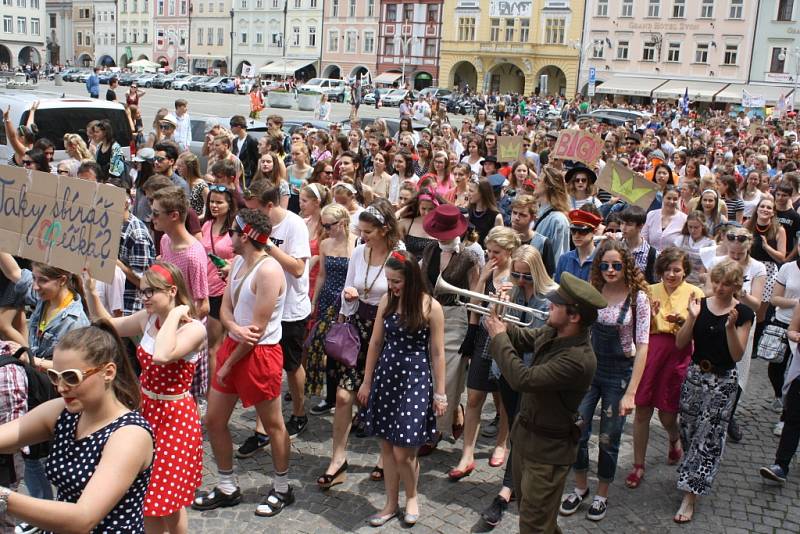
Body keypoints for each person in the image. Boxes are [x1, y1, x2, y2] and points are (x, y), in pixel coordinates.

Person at [85, 263, 205, 534]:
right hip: (147, 410)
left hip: (175, 417)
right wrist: (91, 292)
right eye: (142, 292)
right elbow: (106, 325)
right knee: (146, 491)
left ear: (172, 290)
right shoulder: (147, 318)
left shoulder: (194, 329)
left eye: (151, 291)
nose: (145, 297)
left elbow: (163, 354)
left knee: (169, 500)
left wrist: (175, 313)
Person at [484, 272, 607, 534]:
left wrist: (498, 337)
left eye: (556, 304)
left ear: (574, 316)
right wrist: (501, 319)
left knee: (533, 525)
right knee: (537, 520)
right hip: (526, 439)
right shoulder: (554, 331)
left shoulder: (578, 358)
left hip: (548, 452)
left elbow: (523, 378)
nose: (549, 305)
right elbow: (527, 339)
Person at [0, 322, 153, 532]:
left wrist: (4, 498)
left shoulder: (130, 435)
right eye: (55, 376)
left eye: (72, 377)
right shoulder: (62, 412)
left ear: (108, 372)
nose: (61, 387)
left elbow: (83, 518)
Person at [193, 208, 293, 517]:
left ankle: (282, 488)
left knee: (274, 425)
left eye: (233, 232)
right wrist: (233, 329)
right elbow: (223, 309)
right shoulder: (237, 263)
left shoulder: (269, 271)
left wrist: (226, 362)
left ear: (246, 236)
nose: (228, 237)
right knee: (213, 420)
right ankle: (227, 486)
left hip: (260, 356)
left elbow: (257, 331)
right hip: (235, 347)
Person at [560, 240, 651, 522]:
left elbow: (644, 345)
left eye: (616, 265)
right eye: (605, 265)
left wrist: (631, 392)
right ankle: (580, 487)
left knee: (609, 437)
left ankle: (602, 492)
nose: (610, 270)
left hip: (619, 373)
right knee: (576, 429)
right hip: (590, 369)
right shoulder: (593, 291)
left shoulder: (638, 299)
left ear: (626, 266)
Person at [357, 250, 447, 527]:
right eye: (389, 280)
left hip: (415, 380)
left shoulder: (431, 306)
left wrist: (440, 393)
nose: (392, 286)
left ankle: (412, 497)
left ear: (411, 278)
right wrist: (367, 380)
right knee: (386, 447)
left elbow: (438, 353)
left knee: (404, 450)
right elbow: (374, 344)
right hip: (386, 377)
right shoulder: (387, 300)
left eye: (396, 281)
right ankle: (390, 503)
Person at [318, 203, 399, 487]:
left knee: (382, 396)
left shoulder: (399, 257)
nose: (363, 237)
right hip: (358, 329)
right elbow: (349, 287)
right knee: (343, 396)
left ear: (384, 230)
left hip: (389, 333)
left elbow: (405, 297)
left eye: (368, 232)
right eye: (361, 231)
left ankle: (383, 457)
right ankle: (338, 459)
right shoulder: (358, 253)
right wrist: (347, 302)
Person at [0, 254, 90, 504]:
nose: (35, 286)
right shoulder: (45, 297)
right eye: (35, 280)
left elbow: (75, 368)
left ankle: (49, 510)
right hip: (36, 387)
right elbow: (15, 273)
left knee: (38, 457)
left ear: (62, 280)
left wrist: (32, 360)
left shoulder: (75, 321)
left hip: (57, 394)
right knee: (32, 456)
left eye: (41, 281)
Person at [480, 245, 555, 528]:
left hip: (533, 374)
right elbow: (493, 326)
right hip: (508, 372)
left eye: (527, 276)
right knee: (516, 429)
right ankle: (514, 486)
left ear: (537, 272)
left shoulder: (550, 298)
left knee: (526, 432)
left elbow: (538, 338)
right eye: (517, 275)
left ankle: (509, 489)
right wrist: (499, 303)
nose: (521, 281)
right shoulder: (510, 290)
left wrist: (507, 324)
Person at [673, 260, 753, 523]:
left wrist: (730, 328)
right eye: (717, 281)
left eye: (726, 283)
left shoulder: (742, 313)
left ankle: (690, 494)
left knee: (709, 435)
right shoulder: (701, 303)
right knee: (687, 426)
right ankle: (689, 467)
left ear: (736, 286)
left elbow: (737, 354)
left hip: (723, 380)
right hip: (696, 374)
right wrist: (692, 319)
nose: (719, 287)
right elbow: (680, 343)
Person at [242, 181, 312, 449]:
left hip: (291, 308)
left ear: (269, 206)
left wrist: (267, 244)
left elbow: (296, 268)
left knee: (292, 366)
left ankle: (298, 412)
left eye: (255, 210)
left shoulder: (294, 225)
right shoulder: (256, 223)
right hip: (263, 306)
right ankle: (262, 428)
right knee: (262, 368)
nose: (251, 216)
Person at [627, 247, 702, 489]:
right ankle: (638, 465)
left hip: (678, 354)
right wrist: (651, 316)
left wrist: (685, 320)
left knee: (668, 413)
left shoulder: (695, 293)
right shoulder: (648, 290)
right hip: (651, 351)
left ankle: (673, 438)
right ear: (660, 270)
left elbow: (697, 332)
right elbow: (638, 327)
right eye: (667, 269)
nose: (671, 274)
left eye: (677, 270)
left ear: (684, 271)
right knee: (642, 411)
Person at [450, 227, 520, 481]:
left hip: (506, 339)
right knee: (474, 396)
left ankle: (502, 442)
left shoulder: (518, 273)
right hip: (482, 336)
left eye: (497, 252)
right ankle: (467, 453)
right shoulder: (488, 271)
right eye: (489, 251)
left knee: (503, 397)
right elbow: (475, 307)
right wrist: (481, 281)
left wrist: (506, 298)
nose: (491, 256)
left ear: (510, 251)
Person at [418, 205, 480, 455]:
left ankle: (436, 428)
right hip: (428, 312)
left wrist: (472, 331)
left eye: (446, 232)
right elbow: (423, 281)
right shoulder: (430, 249)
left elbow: (475, 296)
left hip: (455, 316)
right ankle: (454, 410)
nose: (441, 236)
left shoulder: (470, 256)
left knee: (450, 374)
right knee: (429, 370)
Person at [307, 205, 353, 417]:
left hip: (349, 302)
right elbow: (322, 275)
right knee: (329, 347)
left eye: (329, 225)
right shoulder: (325, 243)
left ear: (342, 222)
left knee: (348, 348)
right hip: (328, 299)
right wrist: (314, 302)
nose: (325, 229)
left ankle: (349, 396)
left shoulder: (356, 242)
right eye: (323, 225)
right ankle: (330, 396)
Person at [201, 185, 238, 366]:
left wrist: (230, 265)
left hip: (224, 291)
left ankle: (213, 393)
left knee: (214, 348)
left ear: (229, 205)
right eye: (212, 202)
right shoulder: (207, 224)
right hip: (206, 288)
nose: (214, 206)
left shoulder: (235, 229)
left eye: (219, 202)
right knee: (214, 346)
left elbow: (243, 257)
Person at [533, 166, 571, 269]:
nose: (535, 182)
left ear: (547, 185)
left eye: (538, 180)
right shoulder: (537, 211)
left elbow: (559, 257)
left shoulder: (558, 220)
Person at [554, 209, 601, 283]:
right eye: (573, 230)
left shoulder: (601, 259)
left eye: (582, 231)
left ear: (594, 232)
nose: (576, 235)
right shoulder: (564, 259)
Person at [642, 186, 687, 252]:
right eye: (668, 198)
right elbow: (643, 239)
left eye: (675, 199)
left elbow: (684, 244)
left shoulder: (684, 219)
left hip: (672, 259)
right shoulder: (651, 215)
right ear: (663, 198)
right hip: (651, 258)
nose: (671, 202)